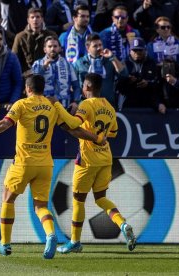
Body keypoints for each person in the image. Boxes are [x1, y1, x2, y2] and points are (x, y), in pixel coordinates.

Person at [0, 74, 103, 259]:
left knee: (8, 198)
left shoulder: (22, 104)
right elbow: (73, 129)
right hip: (45, 164)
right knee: (41, 206)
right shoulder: (52, 106)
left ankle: (4, 243)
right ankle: (50, 235)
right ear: (43, 89)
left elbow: (4, 124)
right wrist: (95, 138)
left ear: (27, 89)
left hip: (24, 162)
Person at [56, 73, 136, 254]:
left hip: (88, 160)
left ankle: (75, 241)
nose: (82, 88)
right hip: (105, 158)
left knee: (78, 200)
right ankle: (122, 224)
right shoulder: (109, 106)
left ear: (88, 87)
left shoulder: (86, 105)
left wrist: (58, 108)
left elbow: (73, 123)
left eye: (83, 85)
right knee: (100, 198)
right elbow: (114, 132)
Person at [73, 33, 128, 108]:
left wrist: (112, 58)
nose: (99, 48)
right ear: (87, 48)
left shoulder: (109, 60)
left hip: (107, 105)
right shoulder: (79, 63)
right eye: (95, 46)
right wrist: (77, 102)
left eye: (100, 45)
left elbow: (124, 75)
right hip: (87, 106)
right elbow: (75, 85)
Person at [32, 36, 80, 114]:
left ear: (60, 48)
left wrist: (75, 102)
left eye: (55, 46)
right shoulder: (37, 64)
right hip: (44, 108)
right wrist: (43, 67)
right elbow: (33, 84)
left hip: (65, 108)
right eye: (49, 46)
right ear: (45, 49)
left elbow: (76, 86)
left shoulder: (68, 64)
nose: (52, 49)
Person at [117, 37, 161, 110]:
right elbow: (118, 86)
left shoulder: (151, 63)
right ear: (130, 51)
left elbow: (158, 83)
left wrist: (148, 83)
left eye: (140, 50)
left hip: (148, 104)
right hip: (128, 104)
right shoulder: (124, 64)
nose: (137, 52)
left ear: (145, 50)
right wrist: (128, 81)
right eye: (134, 50)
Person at [12, 8, 57, 78]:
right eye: (32, 17)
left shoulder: (51, 35)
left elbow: (57, 56)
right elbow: (14, 60)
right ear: (28, 20)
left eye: (38, 17)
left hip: (48, 75)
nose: (35, 20)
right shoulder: (20, 37)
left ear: (42, 19)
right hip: (27, 77)